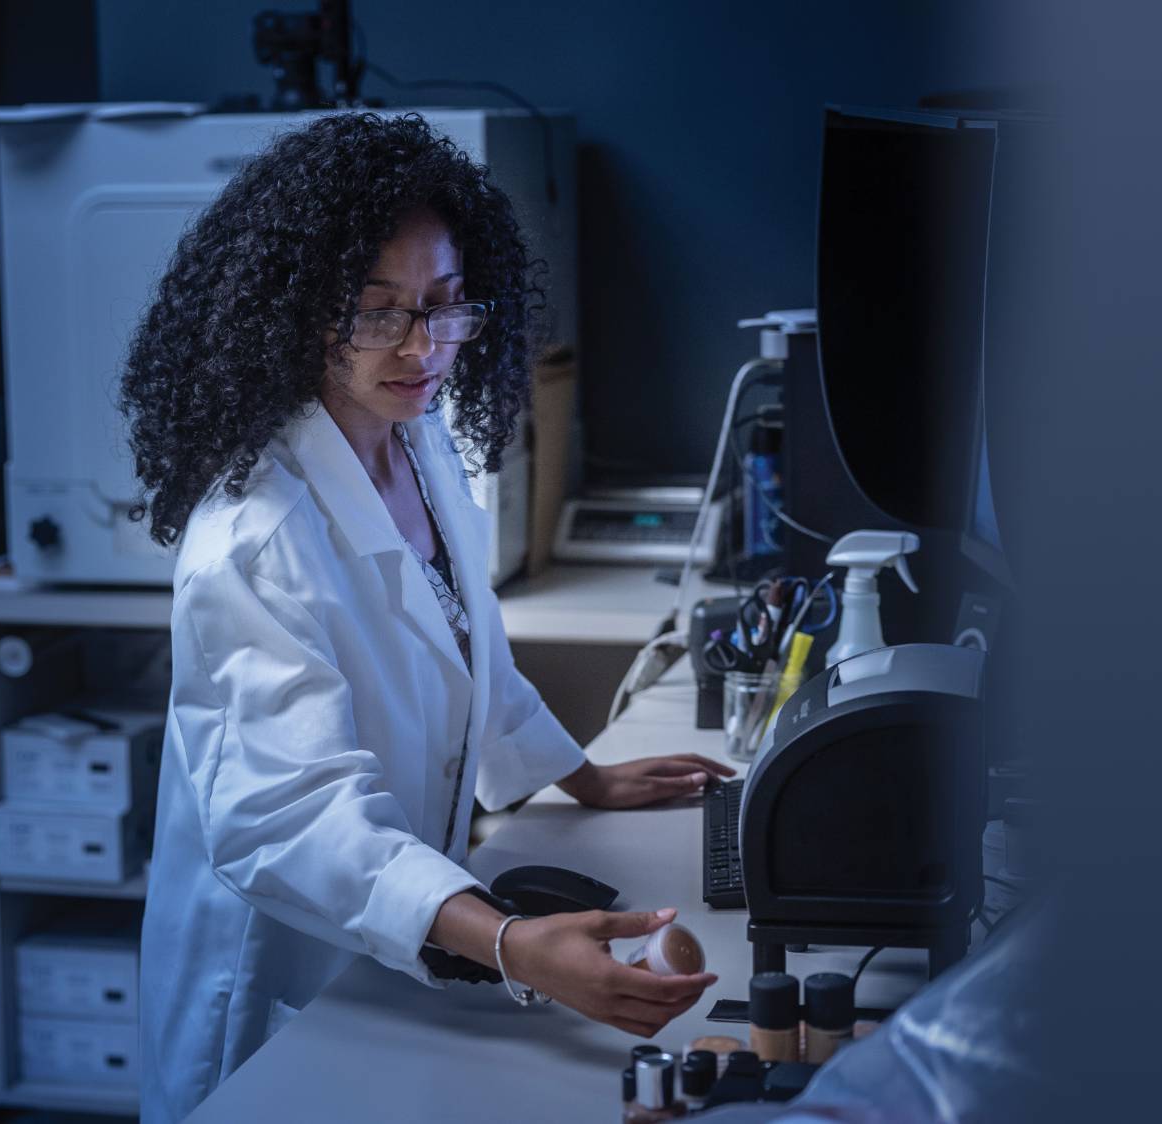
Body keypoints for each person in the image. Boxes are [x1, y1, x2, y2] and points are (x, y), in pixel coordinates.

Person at [120, 112, 729, 1123]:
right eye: (377, 312)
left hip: (395, 947)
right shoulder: (255, 540)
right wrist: (503, 939)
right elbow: (296, 817)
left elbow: (462, 644)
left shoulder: (416, 439)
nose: (422, 345)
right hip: (279, 980)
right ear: (297, 309)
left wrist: (581, 772)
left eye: (444, 305)